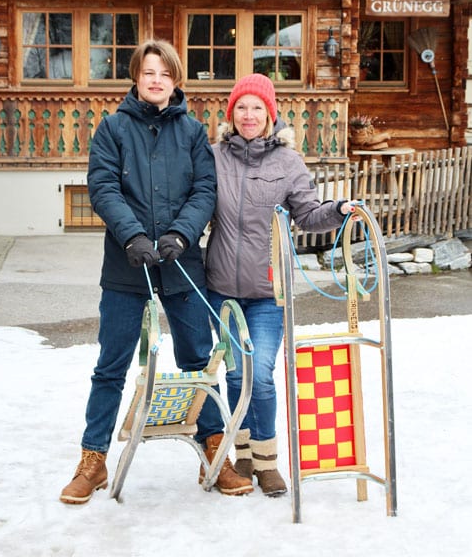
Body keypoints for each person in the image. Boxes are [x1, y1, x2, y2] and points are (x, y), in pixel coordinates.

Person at [60, 40, 253, 504]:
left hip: (180, 263)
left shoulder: (190, 132)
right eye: (148, 72)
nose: (155, 80)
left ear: (175, 80)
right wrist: (132, 236)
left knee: (198, 362)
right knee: (111, 366)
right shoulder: (112, 128)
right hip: (127, 265)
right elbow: (102, 187)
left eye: (164, 73)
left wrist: (182, 235)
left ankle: (213, 451)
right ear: (136, 76)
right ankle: (93, 461)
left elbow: (205, 189)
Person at [205, 73, 357, 497]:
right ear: (231, 114)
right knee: (236, 378)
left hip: (269, 290)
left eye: (257, 107)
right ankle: (244, 457)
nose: (249, 115)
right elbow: (197, 204)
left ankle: (268, 461)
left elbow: (308, 214)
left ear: (270, 114)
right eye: (241, 107)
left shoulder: (288, 163)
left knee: (264, 376)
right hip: (221, 286)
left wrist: (337, 209)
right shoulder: (213, 156)